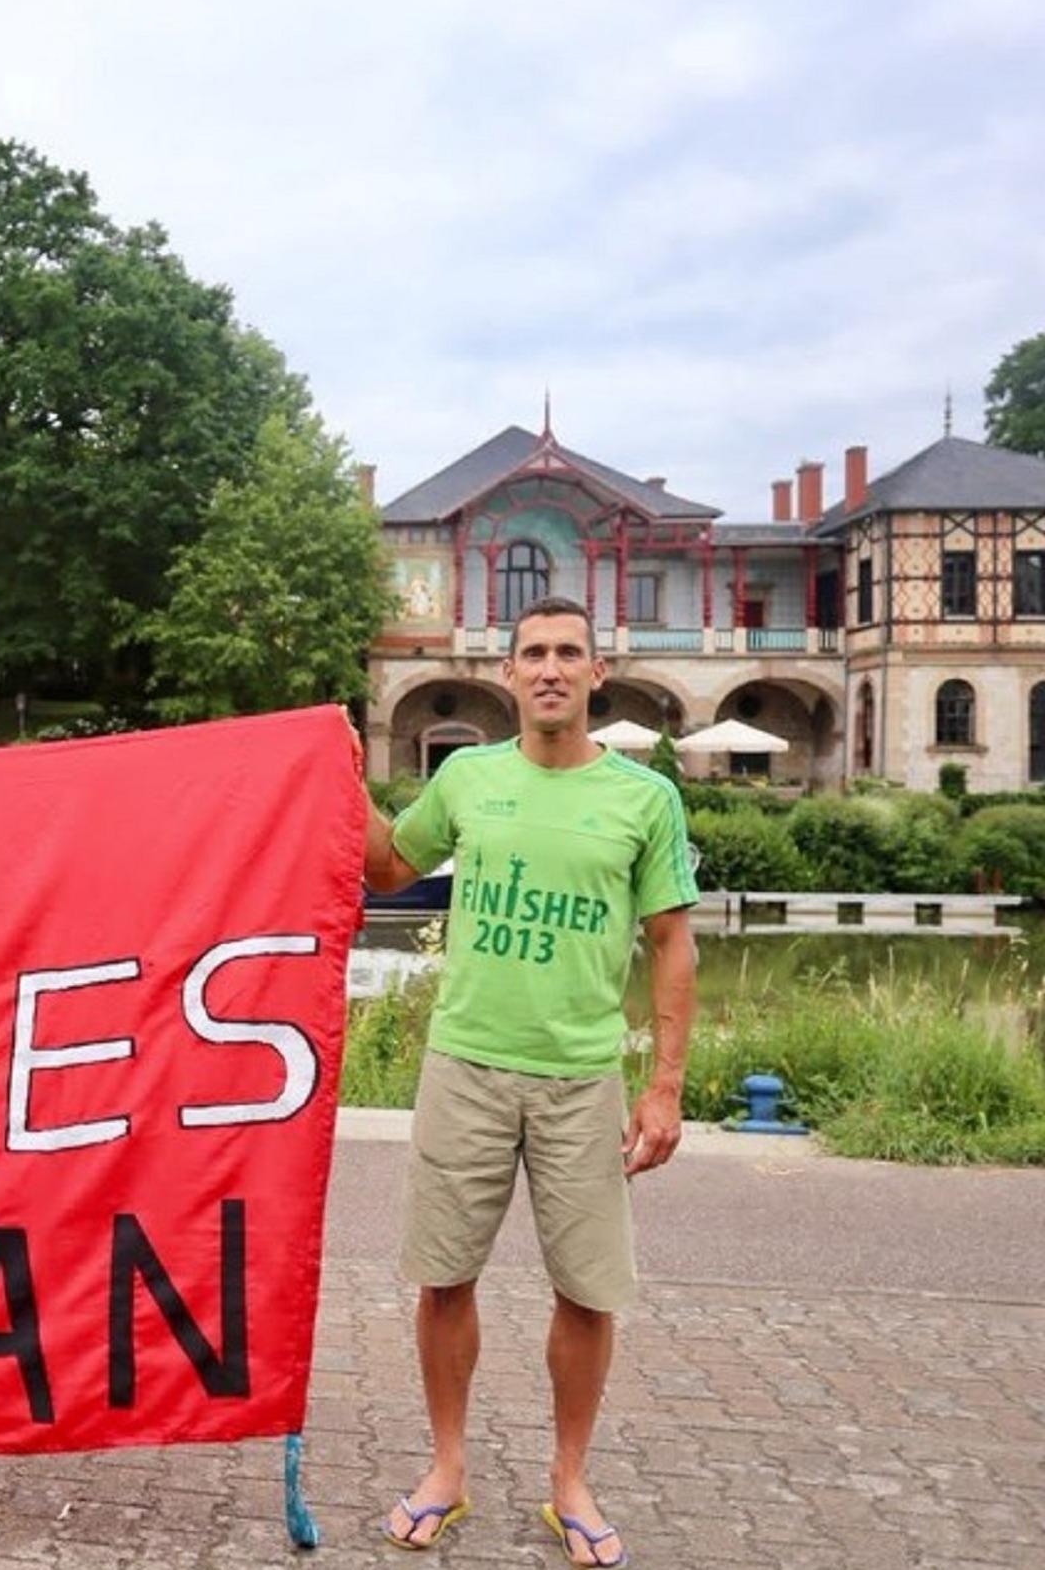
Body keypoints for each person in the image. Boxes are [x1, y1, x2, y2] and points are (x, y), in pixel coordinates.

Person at [362, 594, 697, 1564]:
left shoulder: (644, 800)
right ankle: (447, 1467)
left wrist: (665, 1084)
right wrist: (342, 780)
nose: (549, 667)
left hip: (581, 1076)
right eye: (532, 653)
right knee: (443, 1276)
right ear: (507, 674)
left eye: (568, 653)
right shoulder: (468, 777)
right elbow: (387, 868)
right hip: (464, 1062)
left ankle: (569, 1480)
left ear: (598, 672)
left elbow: (671, 945)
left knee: (588, 1291)